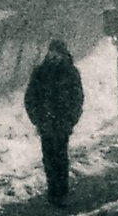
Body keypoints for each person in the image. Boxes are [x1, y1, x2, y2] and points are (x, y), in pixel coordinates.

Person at [24, 39, 85, 205]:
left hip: (62, 123)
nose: (53, 55)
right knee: (49, 158)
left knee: (60, 157)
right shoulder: (40, 72)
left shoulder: (70, 72)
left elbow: (77, 98)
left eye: (56, 52)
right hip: (46, 123)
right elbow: (30, 97)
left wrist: (70, 119)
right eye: (51, 51)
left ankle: (61, 192)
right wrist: (37, 119)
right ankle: (53, 192)